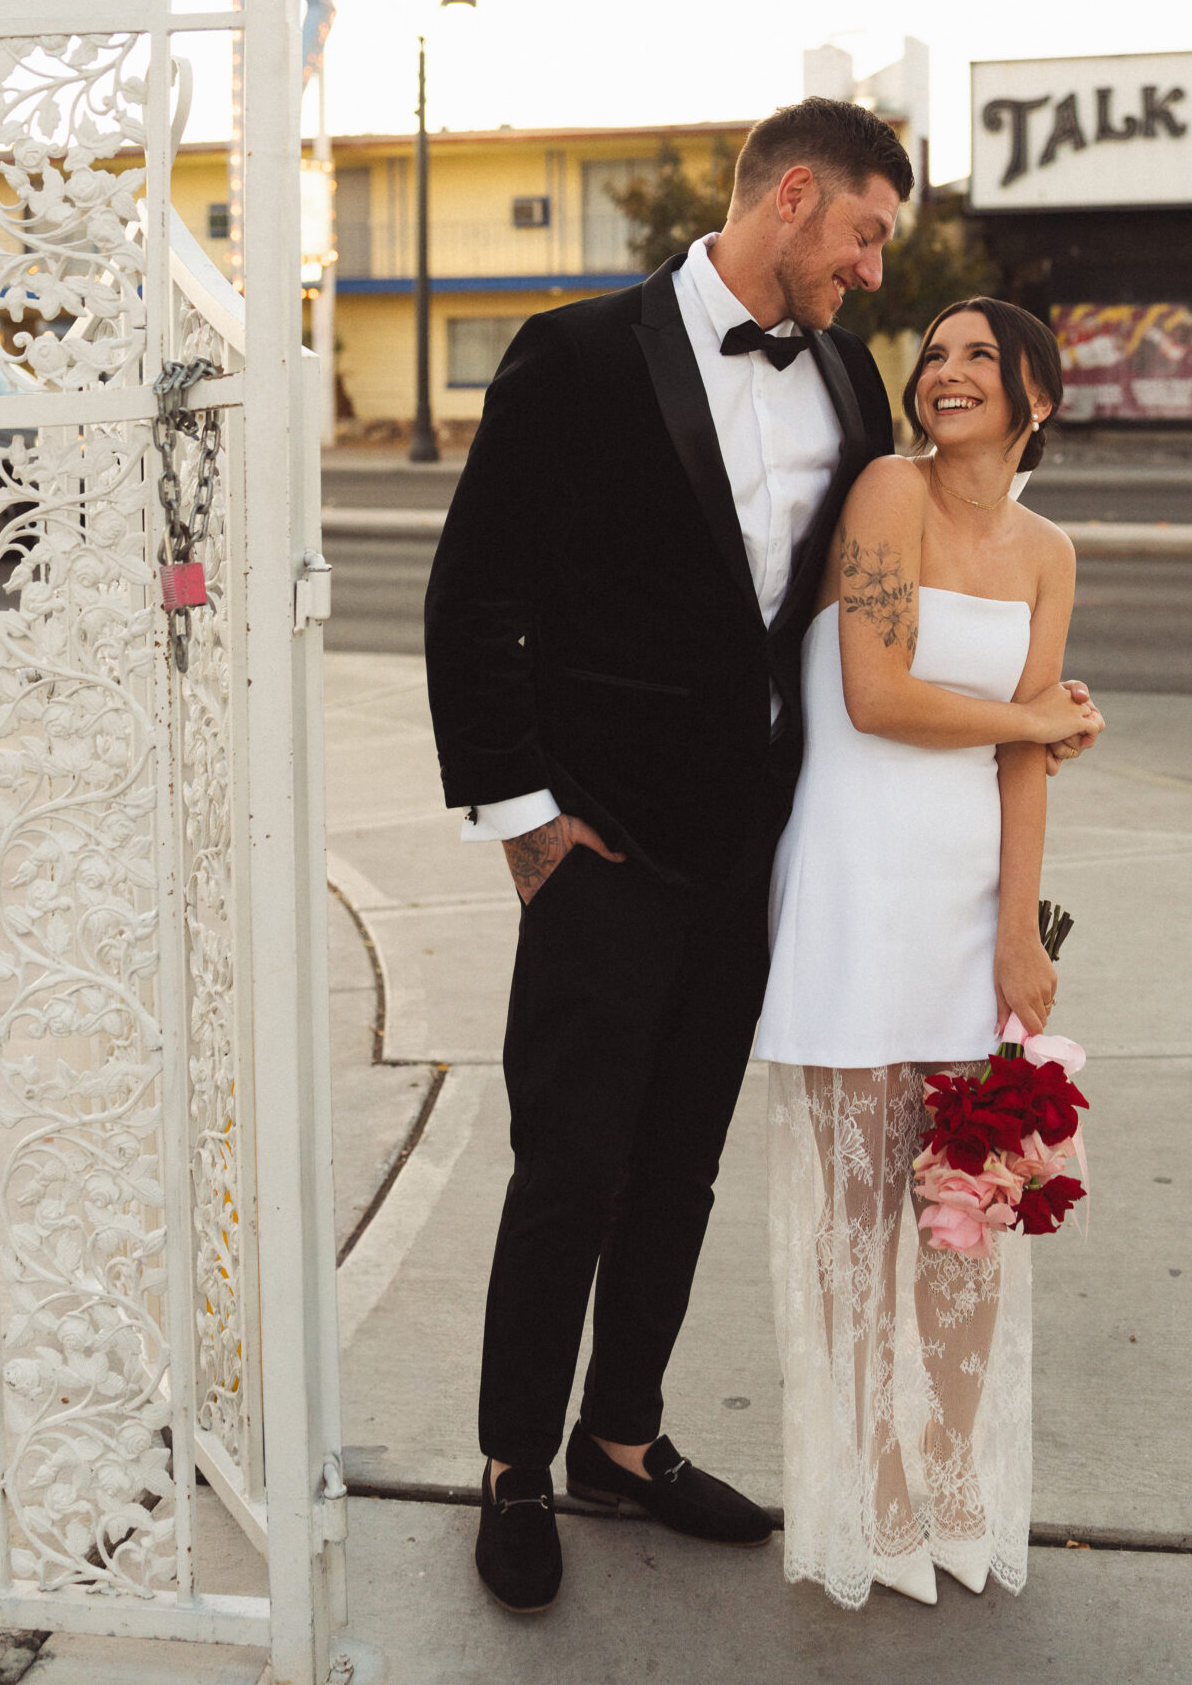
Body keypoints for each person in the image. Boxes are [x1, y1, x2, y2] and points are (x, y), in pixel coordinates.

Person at [423, 102, 1098, 1616]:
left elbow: (853, 612)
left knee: (680, 1163)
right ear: (794, 196)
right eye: (864, 234)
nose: (872, 272)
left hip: (757, 850)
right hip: (600, 840)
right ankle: (514, 1462)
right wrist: (523, 818)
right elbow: (475, 594)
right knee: (570, 1162)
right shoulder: (576, 355)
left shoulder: (845, 380)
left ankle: (623, 1437)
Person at [754, 296, 1100, 1609]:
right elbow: (876, 695)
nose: (945, 372)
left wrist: (1018, 932)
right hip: (852, 891)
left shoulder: (1049, 551)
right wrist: (1036, 716)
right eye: (936, 354)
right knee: (857, 1227)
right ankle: (870, 1483)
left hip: (966, 908)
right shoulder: (888, 493)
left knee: (967, 1217)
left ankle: (954, 1473)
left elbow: (1028, 764)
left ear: (1036, 397)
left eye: (979, 357)